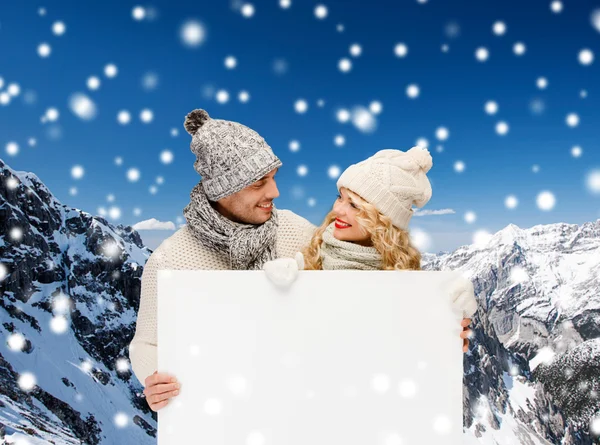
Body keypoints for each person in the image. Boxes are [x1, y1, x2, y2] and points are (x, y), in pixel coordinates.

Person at [129, 109, 316, 411]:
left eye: (273, 178)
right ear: (222, 190)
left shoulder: (297, 232)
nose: (275, 192)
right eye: (259, 183)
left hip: (295, 407)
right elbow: (146, 345)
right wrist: (155, 379)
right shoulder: (169, 260)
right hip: (221, 417)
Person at [264, 146, 476, 350]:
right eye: (340, 197)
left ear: (383, 221)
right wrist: (277, 287)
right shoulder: (311, 256)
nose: (337, 209)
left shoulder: (405, 281)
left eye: (354, 205)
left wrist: (446, 322)